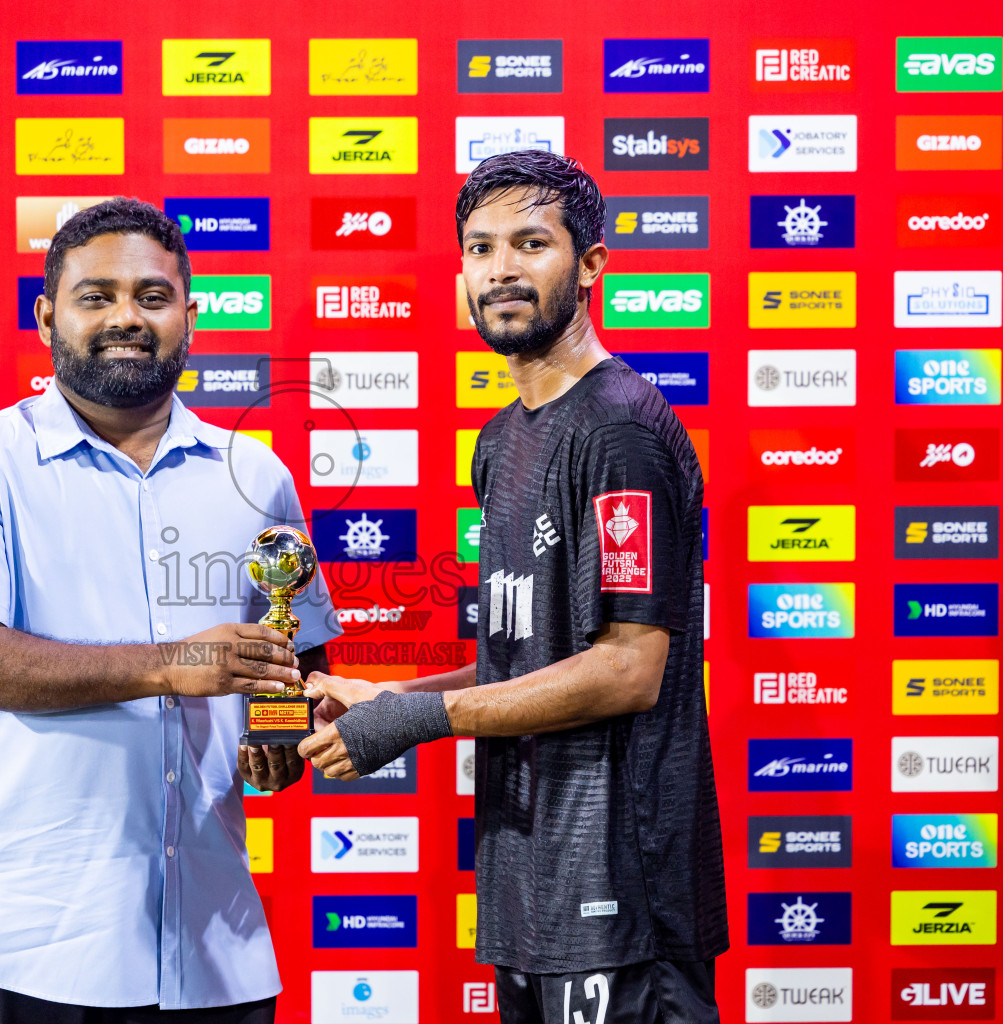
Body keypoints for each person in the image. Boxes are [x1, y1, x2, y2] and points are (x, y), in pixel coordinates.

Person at [300, 150, 726, 1024]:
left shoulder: (621, 431)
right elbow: (520, 661)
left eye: (531, 243)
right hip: (527, 882)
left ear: (592, 264)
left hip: (623, 895)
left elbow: (625, 670)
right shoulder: (501, 440)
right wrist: (390, 698)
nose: (501, 269)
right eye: (481, 248)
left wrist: (415, 721)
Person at [0, 197, 340, 1023]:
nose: (125, 318)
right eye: (95, 296)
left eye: (152, 296)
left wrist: (278, 739)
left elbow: (296, 657)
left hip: (214, 949)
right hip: (24, 946)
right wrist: (174, 663)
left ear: (190, 318)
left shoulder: (257, 474)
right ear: (46, 318)